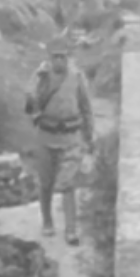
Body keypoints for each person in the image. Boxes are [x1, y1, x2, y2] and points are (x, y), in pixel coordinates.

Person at [23, 37, 95, 245]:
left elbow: (86, 108)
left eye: (62, 57)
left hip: (71, 137)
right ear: (49, 57)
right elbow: (29, 103)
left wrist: (89, 137)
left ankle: (71, 230)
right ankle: (47, 222)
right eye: (55, 57)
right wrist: (37, 84)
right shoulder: (41, 76)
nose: (59, 61)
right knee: (45, 182)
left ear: (68, 57)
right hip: (46, 136)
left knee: (67, 183)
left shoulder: (77, 77)